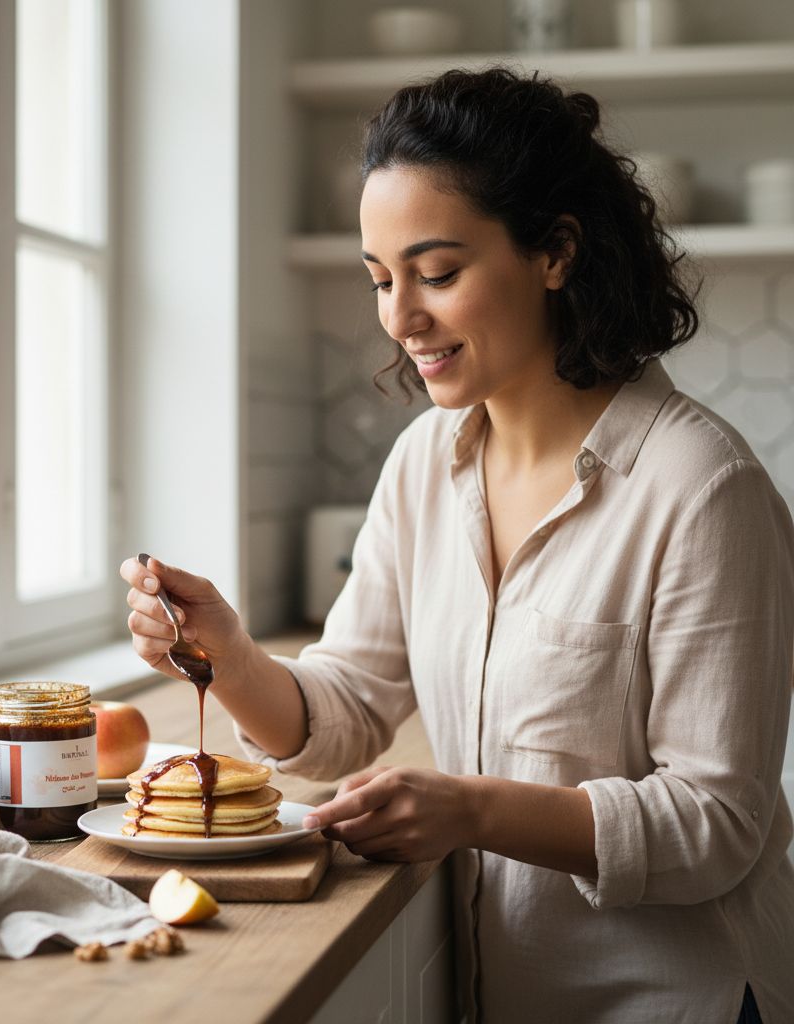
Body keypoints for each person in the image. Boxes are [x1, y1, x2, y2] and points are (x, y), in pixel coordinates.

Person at [120, 67, 793, 1023]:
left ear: (555, 252)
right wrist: (227, 656)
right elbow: (349, 706)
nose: (400, 318)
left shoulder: (701, 489)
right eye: (381, 280)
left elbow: (718, 824)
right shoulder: (424, 463)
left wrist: (472, 810)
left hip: (679, 998)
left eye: (437, 274)